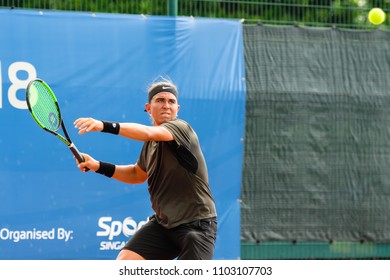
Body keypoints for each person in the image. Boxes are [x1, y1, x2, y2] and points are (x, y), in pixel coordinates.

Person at [73, 79, 217, 260]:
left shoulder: (182, 128)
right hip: (164, 225)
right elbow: (136, 174)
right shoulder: (150, 145)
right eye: (160, 100)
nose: (166, 105)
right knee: (126, 262)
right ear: (148, 108)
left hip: (196, 226)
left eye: (171, 101)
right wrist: (98, 166)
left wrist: (104, 125)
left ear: (177, 109)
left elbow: (148, 132)